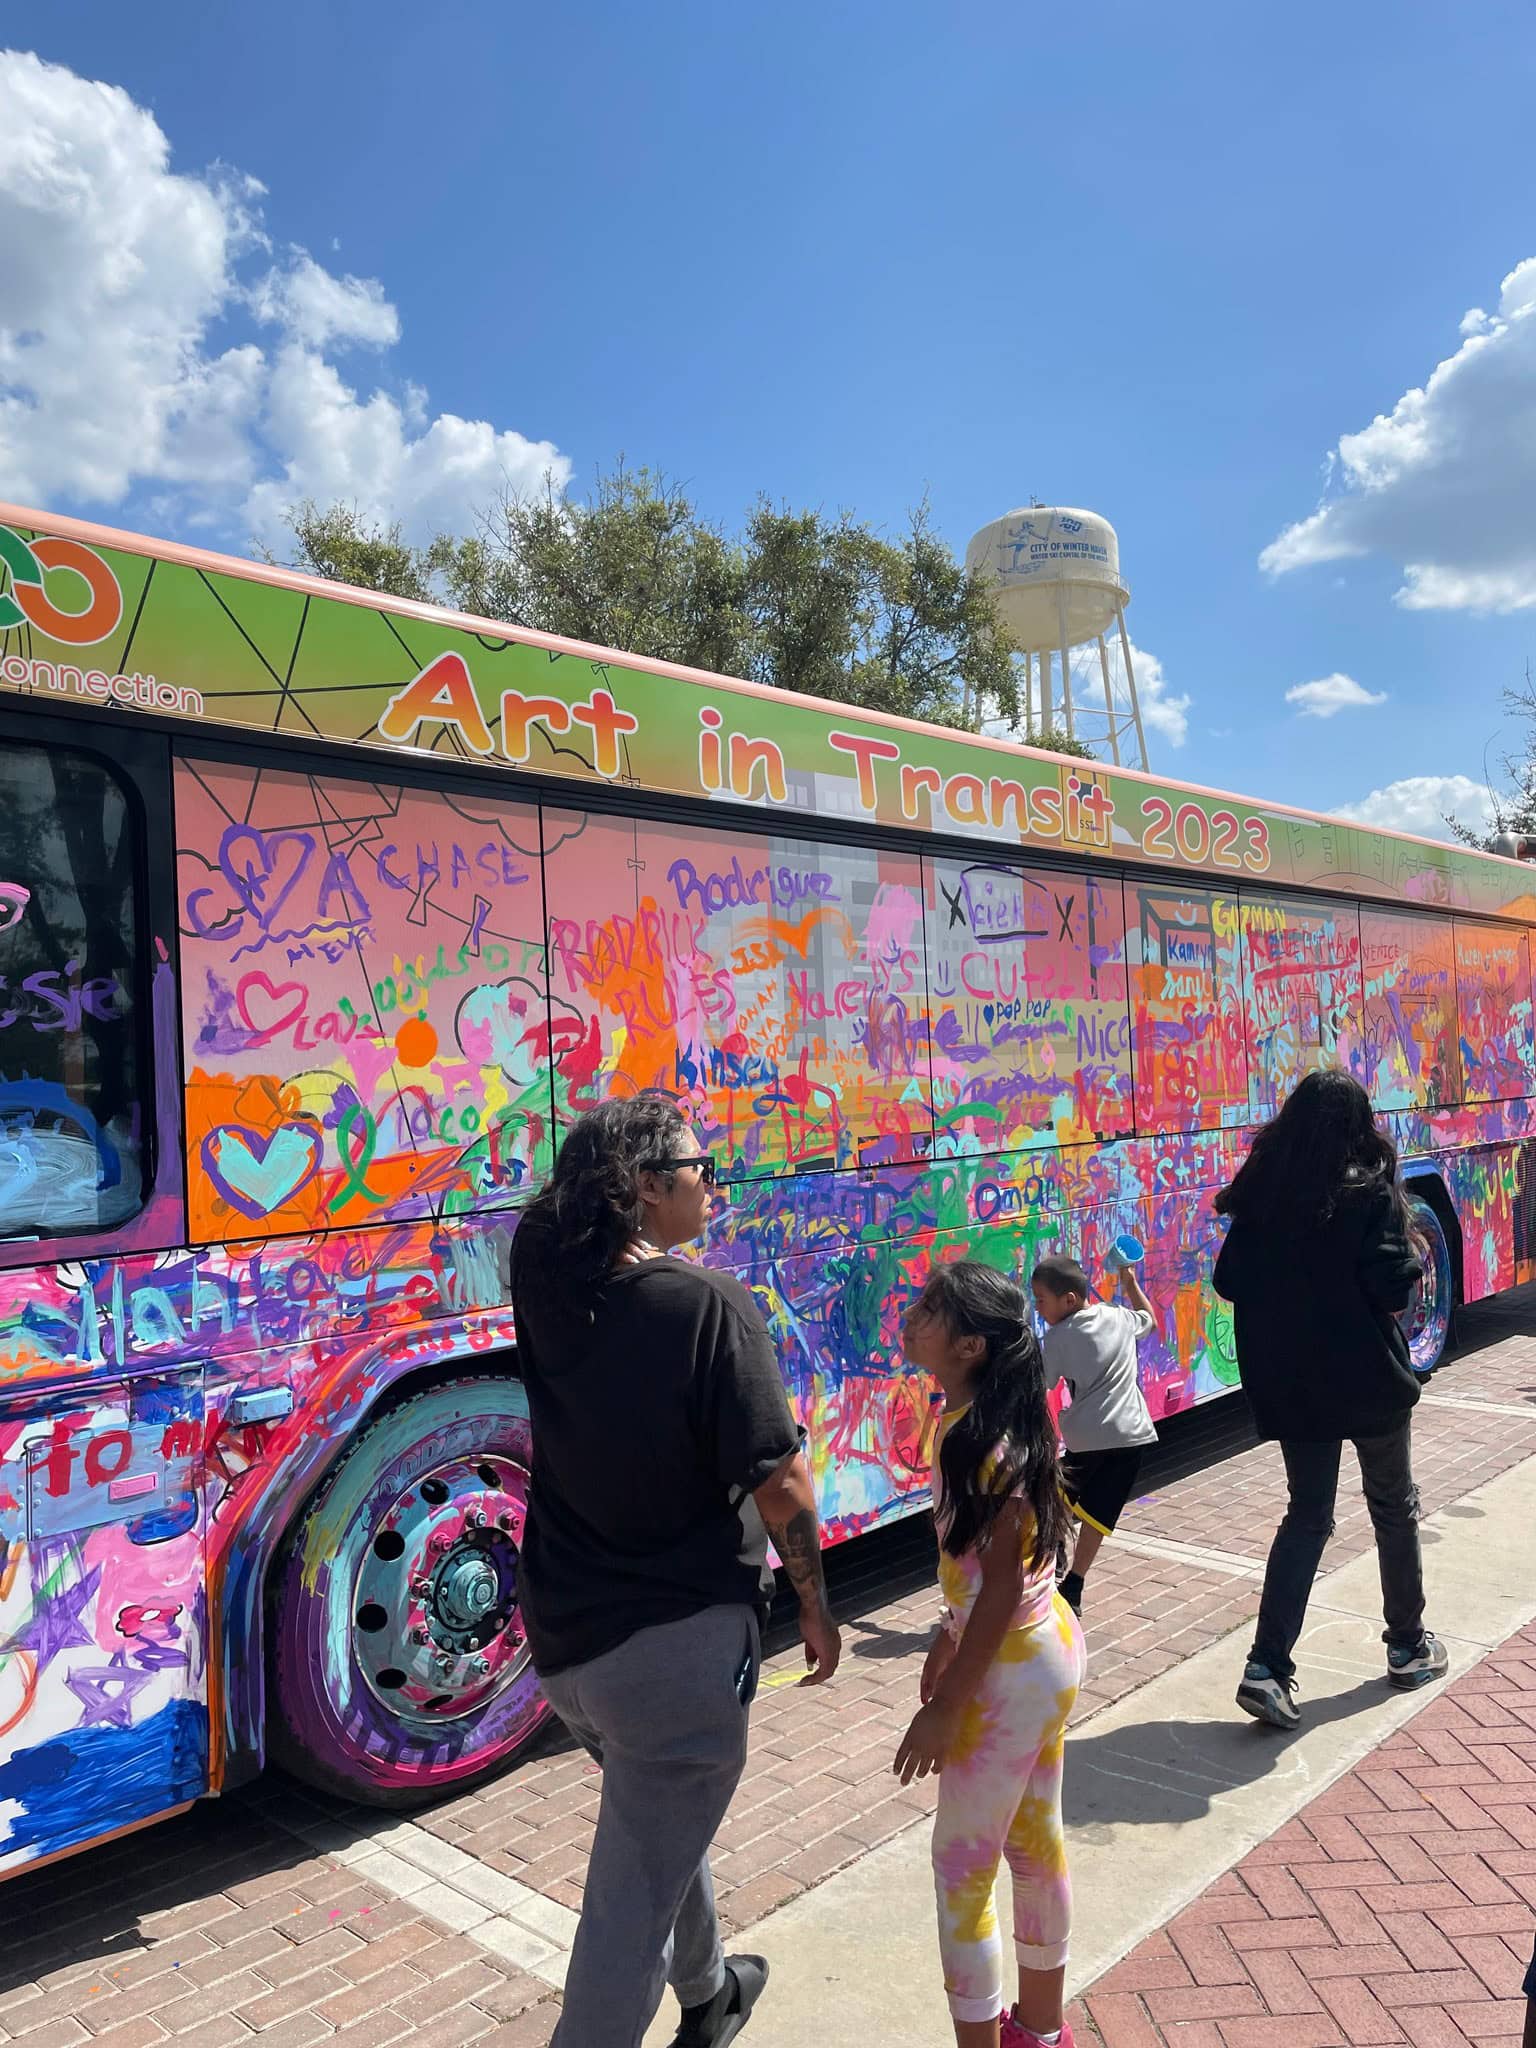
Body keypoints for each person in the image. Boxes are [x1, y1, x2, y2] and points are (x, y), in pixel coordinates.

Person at [509, 1096, 841, 2048]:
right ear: (647, 1187)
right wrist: (816, 1608)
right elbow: (783, 1484)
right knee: (626, 1917)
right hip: (674, 1654)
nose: (714, 1186)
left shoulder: (543, 1275)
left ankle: (711, 1992)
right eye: (702, 1169)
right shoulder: (709, 1306)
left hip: (563, 1639)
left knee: (652, 1819)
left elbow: (548, 1215)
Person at [1212, 1068, 1448, 1731]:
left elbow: (1229, 1280)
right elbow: (1393, 1289)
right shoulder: (1369, 1193)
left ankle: (1266, 1668)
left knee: (1308, 1515)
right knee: (1392, 1506)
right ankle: (1407, 1646)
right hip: (1368, 1379)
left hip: (1296, 1387)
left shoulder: (1264, 1196)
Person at [895, 1259, 1085, 2048]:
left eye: (930, 1311)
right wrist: (947, 1633)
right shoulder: (989, 1420)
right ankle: (1040, 2032)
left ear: (971, 1346)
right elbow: (985, 1574)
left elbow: (1001, 1587)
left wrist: (945, 1710)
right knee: (1034, 1845)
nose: (912, 1317)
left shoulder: (980, 1442)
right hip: (1042, 1653)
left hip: (1010, 1671)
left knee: (961, 1866)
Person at [1030, 1252, 1159, 1618]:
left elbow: (1042, 1384)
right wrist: (1130, 1283)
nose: (1037, 1307)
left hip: (1086, 1438)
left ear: (1068, 1300)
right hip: (1132, 1435)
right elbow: (1148, 1319)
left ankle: (1052, 1550)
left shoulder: (1058, 1337)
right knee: (1098, 1514)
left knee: (1055, 1499)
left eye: (1041, 1299)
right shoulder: (1118, 1316)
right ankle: (1074, 1584)